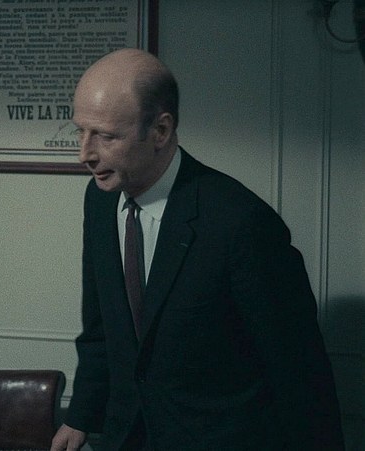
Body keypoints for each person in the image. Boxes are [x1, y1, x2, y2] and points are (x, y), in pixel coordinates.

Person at [50, 49, 344, 450]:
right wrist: (80, 417)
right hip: (126, 437)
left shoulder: (242, 223)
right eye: (80, 131)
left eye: (106, 136)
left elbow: (299, 371)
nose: (84, 153)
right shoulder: (100, 199)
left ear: (160, 130)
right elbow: (101, 326)